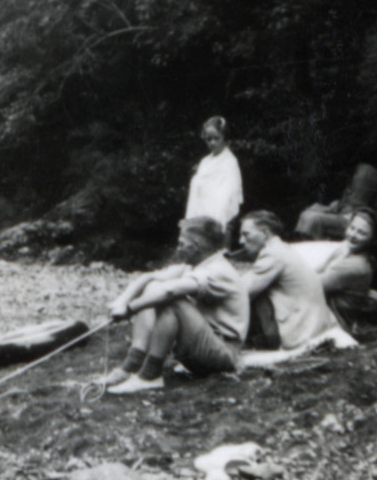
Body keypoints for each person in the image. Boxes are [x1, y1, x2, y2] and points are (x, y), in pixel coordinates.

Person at [102, 216, 250, 394]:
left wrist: (129, 309)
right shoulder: (195, 266)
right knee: (153, 288)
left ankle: (150, 376)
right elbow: (149, 278)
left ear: (195, 245)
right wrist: (122, 301)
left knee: (171, 300)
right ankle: (131, 366)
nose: (178, 248)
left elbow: (170, 292)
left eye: (182, 243)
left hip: (224, 356)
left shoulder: (218, 270)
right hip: (203, 350)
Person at [239, 210, 356, 354]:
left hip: (299, 334)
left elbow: (241, 292)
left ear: (264, 233)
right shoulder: (281, 248)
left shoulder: (272, 254)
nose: (241, 241)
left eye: (246, 234)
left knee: (246, 299)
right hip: (312, 325)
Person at [292, 207, 377, 298]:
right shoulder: (349, 249)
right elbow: (321, 267)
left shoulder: (354, 266)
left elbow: (311, 286)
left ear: (373, 240)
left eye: (362, 233)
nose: (353, 235)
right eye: (352, 228)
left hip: (330, 309)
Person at [294, 164, 377, 242]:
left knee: (311, 218)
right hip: (347, 211)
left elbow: (352, 208)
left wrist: (332, 209)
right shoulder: (358, 170)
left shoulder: (365, 173)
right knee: (310, 211)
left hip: (355, 220)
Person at [186, 116, 244, 239]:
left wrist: (217, 220)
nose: (212, 142)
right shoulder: (205, 161)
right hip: (200, 213)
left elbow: (230, 193)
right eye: (209, 139)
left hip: (218, 216)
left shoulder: (230, 161)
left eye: (216, 138)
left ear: (224, 137)